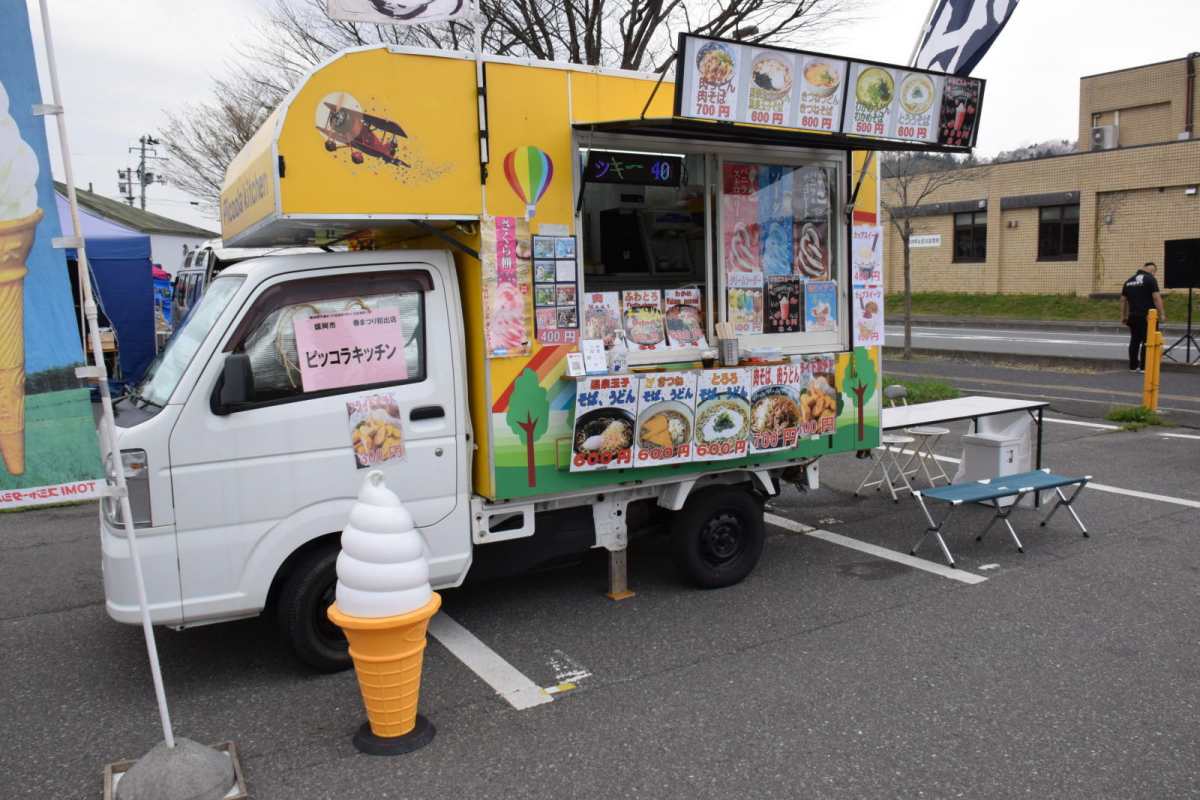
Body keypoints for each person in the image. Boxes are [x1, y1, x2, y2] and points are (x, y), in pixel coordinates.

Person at [1120, 262, 1166, 372]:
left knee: (1134, 341)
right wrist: (1162, 313)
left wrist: (1124, 315)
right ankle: (1144, 367)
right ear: (1152, 271)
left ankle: (1133, 366)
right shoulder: (1150, 279)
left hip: (1133, 315)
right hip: (1148, 317)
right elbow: (1156, 298)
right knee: (1148, 341)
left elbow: (1123, 300)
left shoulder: (1129, 281)